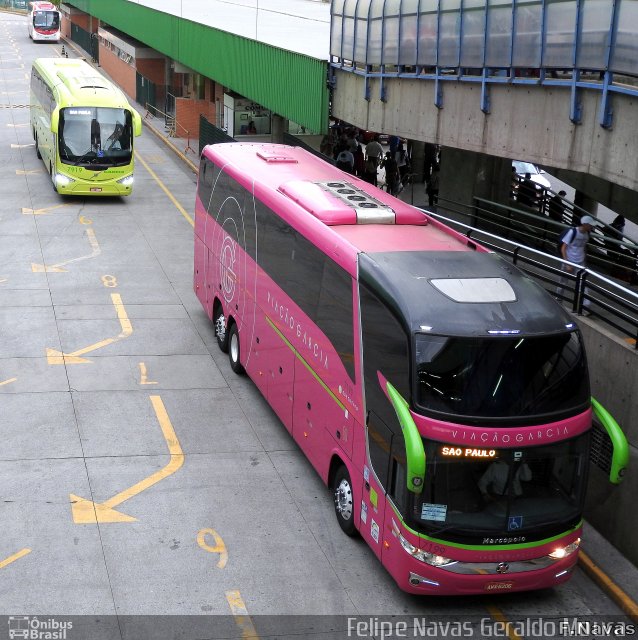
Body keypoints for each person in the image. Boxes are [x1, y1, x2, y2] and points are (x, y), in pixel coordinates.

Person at [556, 214, 600, 309]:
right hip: (569, 260)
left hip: (580, 262)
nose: (592, 227)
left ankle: (586, 305)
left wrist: (585, 262)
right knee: (563, 282)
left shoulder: (587, 234)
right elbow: (563, 248)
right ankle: (558, 299)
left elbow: (584, 248)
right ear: (584, 224)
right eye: (590, 225)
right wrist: (567, 263)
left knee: (582, 283)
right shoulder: (573, 232)